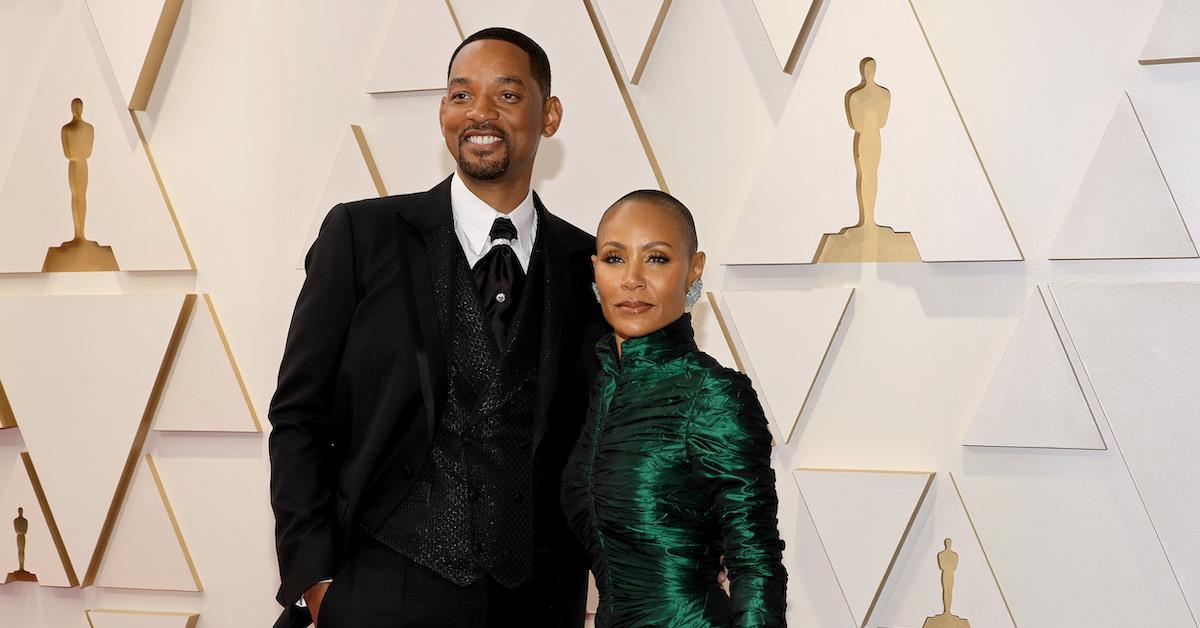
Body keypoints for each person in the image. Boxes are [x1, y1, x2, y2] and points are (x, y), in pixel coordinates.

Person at [269, 27, 605, 628]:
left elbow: (605, 437)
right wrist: (315, 579)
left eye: (506, 95)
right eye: (460, 95)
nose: (479, 113)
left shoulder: (588, 265)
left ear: (549, 115)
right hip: (380, 587)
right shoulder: (361, 235)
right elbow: (299, 412)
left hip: (533, 601)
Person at [562, 190, 788, 627]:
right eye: (614, 258)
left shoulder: (714, 395)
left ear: (694, 270)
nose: (631, 280)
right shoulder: (599, 391)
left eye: (657, 259)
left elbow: (756, 563)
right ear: (595, 271)